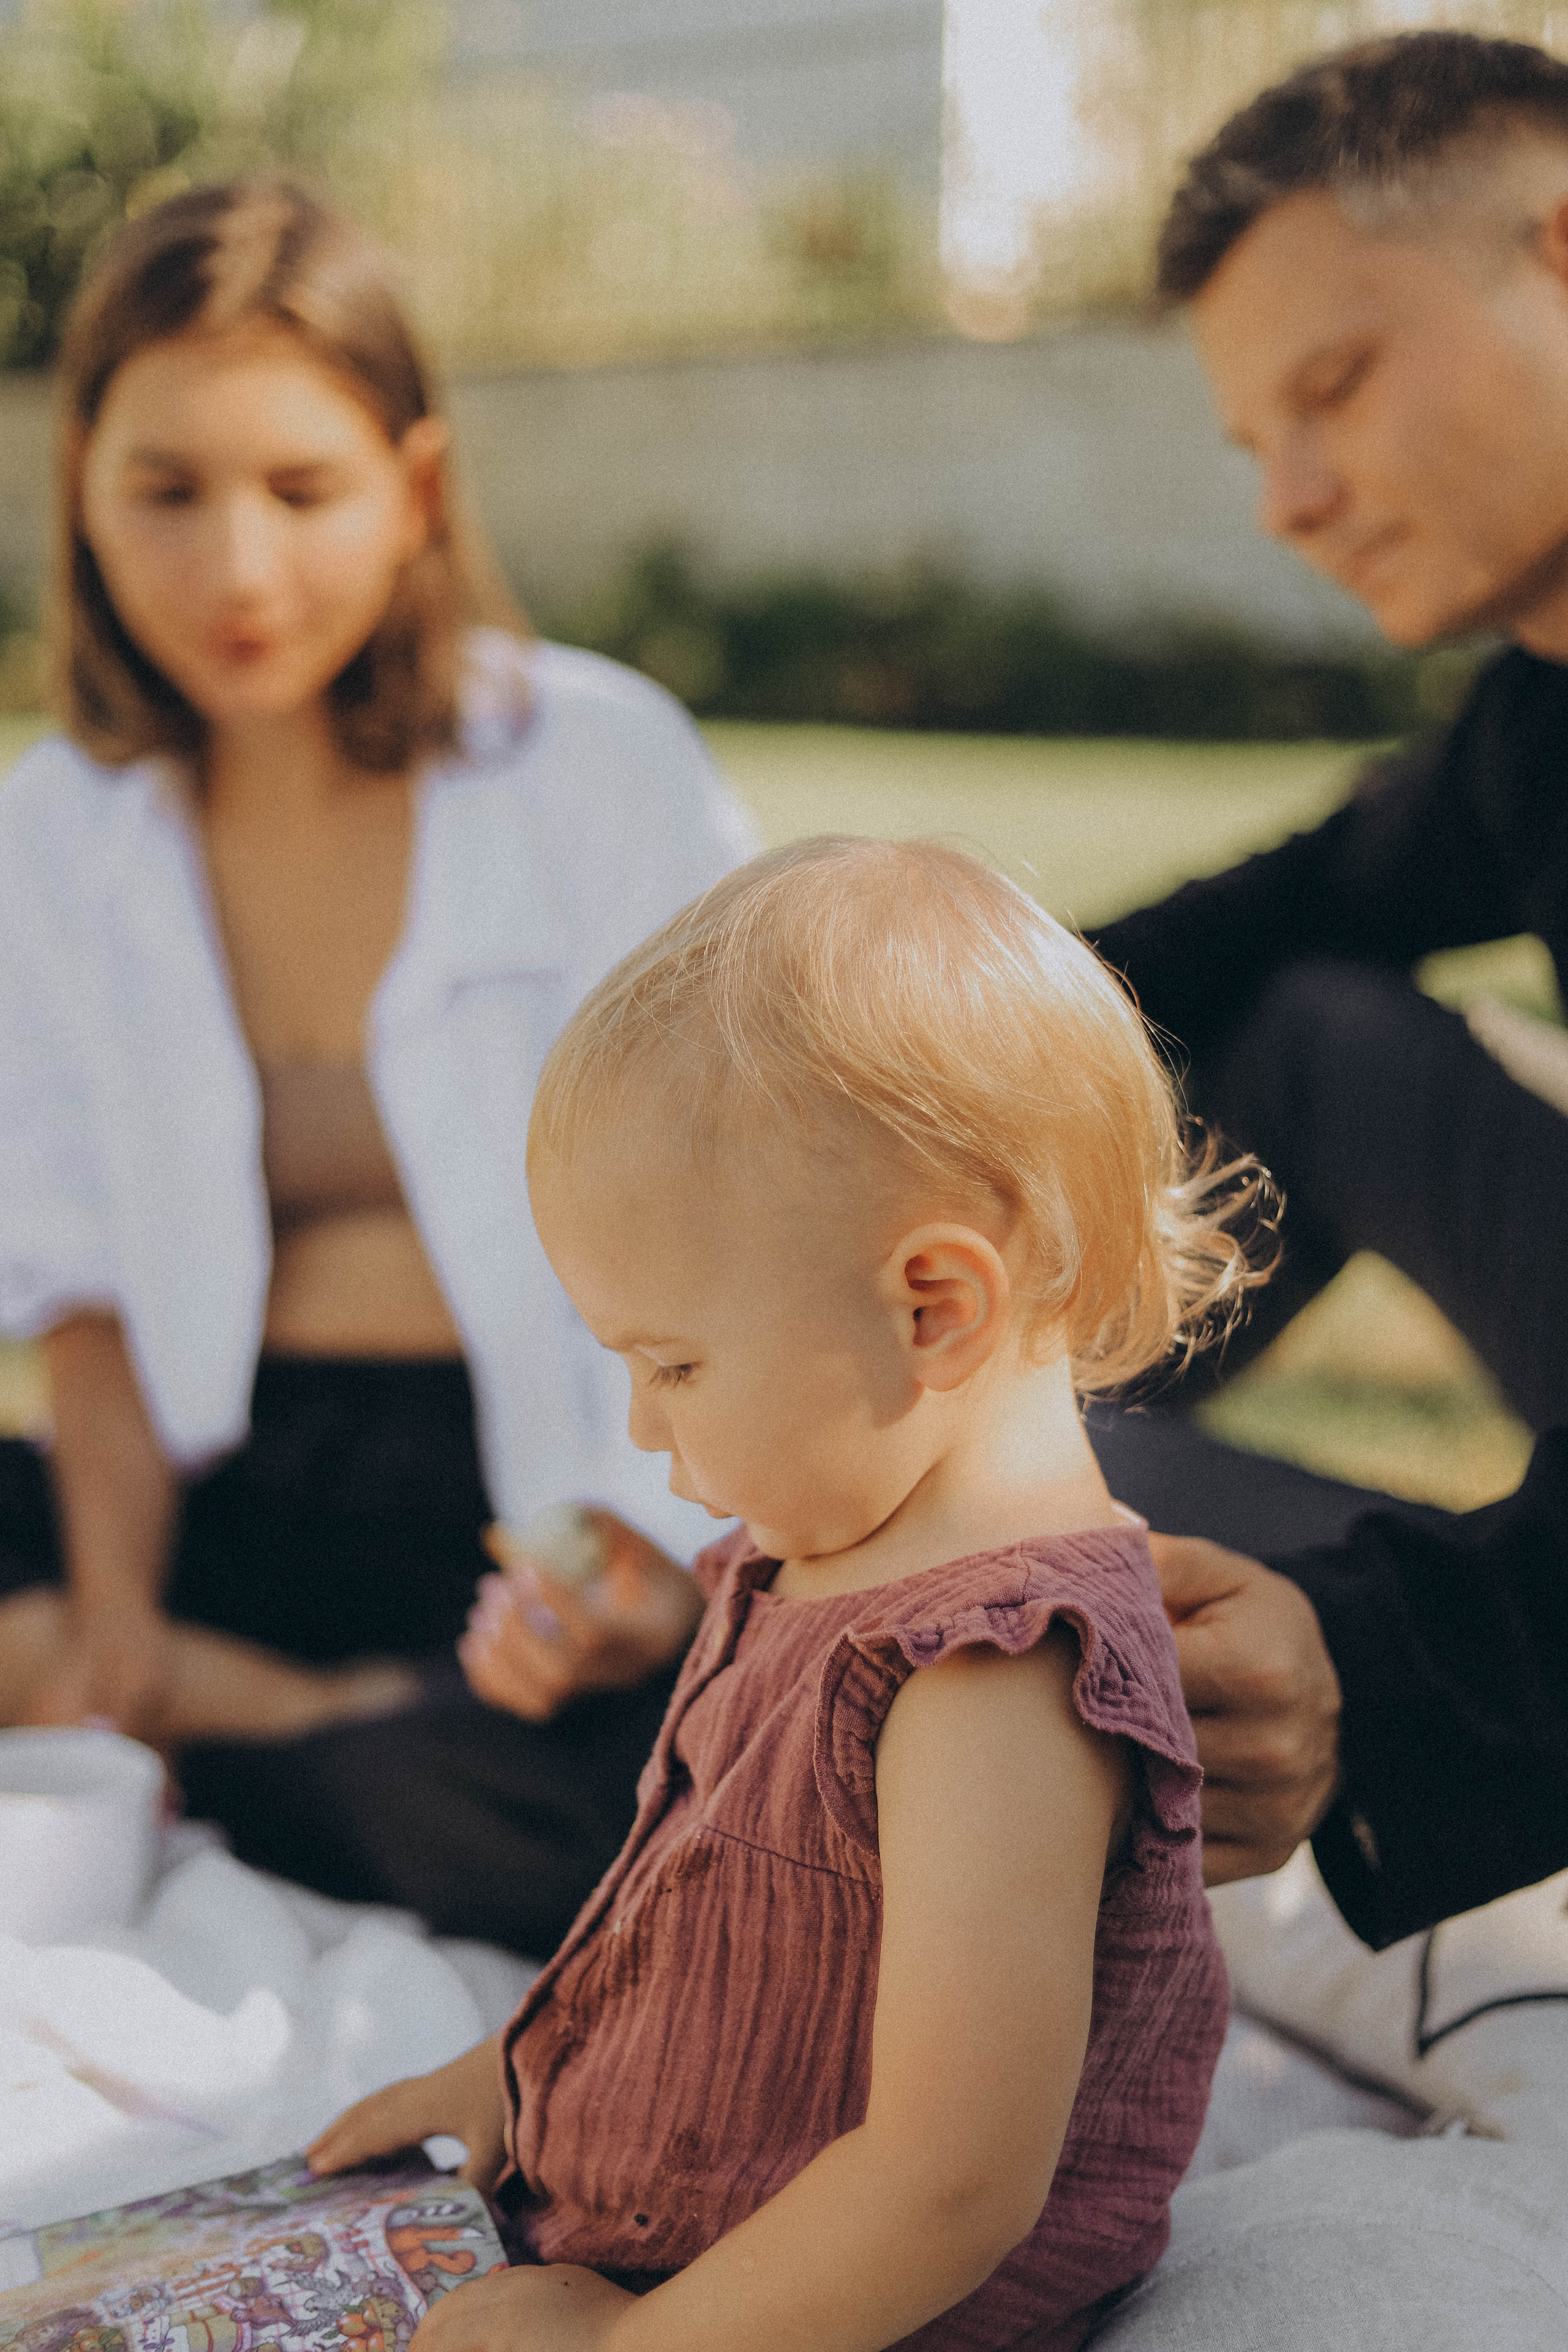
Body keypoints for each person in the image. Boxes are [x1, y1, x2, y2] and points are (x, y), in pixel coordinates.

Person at [307, 835, 1259, 2352]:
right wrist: (502, 2080)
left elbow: (948, 2187)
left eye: (673, 1363)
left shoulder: (993, 1679)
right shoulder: (822, 1555)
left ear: (931, 1305)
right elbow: (694, 1929)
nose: (642, 1424)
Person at [0, 178, 755, 1955]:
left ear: (415, 489)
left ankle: (291, 1732)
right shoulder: (51, 829)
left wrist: (639, 1575)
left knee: (615, 1802)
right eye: (164, 492)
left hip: (549, 1501)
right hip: (229, 1484)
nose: (235, 571)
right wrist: (114, 1627)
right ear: (82, 493)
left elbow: (758, 1216)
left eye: (301, 490)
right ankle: (231, 1706)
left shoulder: (597, 764)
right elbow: (81, 1289)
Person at [1082, 29, 1568, 1957]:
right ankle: (958, 1479)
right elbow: (1284, 903)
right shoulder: (1536, 716)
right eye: (1251, 435)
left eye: (1337, 386)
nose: (1288, 495)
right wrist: (900, 1024)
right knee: (1305, 1027)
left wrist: (1365, 1652)